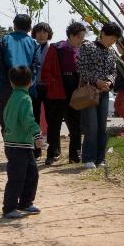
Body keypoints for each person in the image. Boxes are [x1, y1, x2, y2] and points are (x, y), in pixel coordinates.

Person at [77, 22, 124, 169]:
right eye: (111, 38)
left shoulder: (111, 52)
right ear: (102, 33)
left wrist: (109, 82)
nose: (112, 42)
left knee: (103, 126)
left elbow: (113, 71)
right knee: (91, 125)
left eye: (115, 40)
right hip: (90, 91)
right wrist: (96, 81)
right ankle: (88, 158)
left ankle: (100, 158)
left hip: (104, 92)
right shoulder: (87, 46)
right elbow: (82, 68)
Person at [1, 65, 45, 219]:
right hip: (18, 145)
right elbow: (28, 119)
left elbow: (5, 117)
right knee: (17, 177)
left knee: (32, 173)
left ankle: (25, 202)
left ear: (11, 83)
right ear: (30, 82)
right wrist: (37, 135)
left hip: (17, 144)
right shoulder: (25, 98)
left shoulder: (12, 97)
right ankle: (9, 208)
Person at [39, 21, 86, 165]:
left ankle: (75, 155)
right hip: (57, 91)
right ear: (71, 35)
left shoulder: (83, 50)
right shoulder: (57, 48)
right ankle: (52, 153)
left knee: (76, 124)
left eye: (83, 37)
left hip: (75, 91)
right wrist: (53, 83)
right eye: (79, 37)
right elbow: (46, 70)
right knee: (54, 125)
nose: (82, 40)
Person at [0, 14, 39, 113]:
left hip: (7, 87)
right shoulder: (34, 44)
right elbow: (36, 67)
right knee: (24, 121)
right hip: (26, 89)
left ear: (14, 26)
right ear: (30, 28)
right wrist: (30, 84)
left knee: (6, 122)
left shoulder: (3, 40)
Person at [30, 23, 53, 151]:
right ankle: (36, 148)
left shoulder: (53, 49)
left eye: (45, 32)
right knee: (34, 117)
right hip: (34, 87)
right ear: (34, 33)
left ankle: (52, 148)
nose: (42, 34)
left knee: (51, 118)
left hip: (49, 87)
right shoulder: (31, 47)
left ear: (49, 34)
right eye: (39, 31)